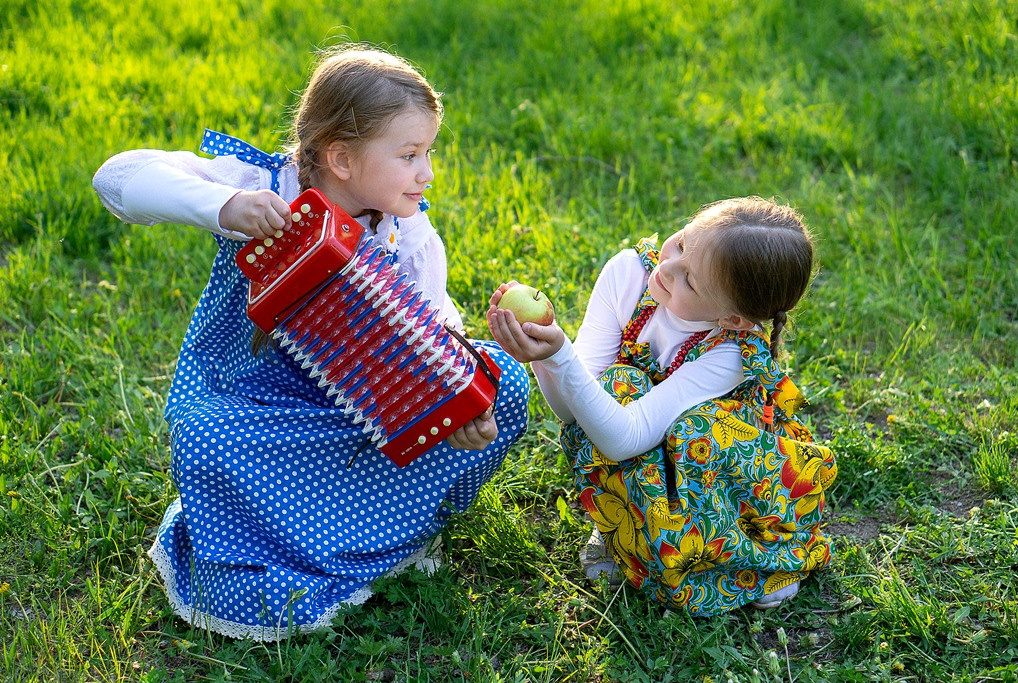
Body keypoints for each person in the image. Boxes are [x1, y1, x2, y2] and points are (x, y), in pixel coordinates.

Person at [92, 44, 529, 640]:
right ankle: (293, 546)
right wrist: (224, 206)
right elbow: (116, 178)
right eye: (409, 155)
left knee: (502, 385)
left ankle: (390, 533)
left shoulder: (408, 228)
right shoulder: (265, 184)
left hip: (363, 407)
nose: (427, 173)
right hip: (254, 400)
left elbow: (436, 324)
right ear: (341, 158)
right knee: (205, 434)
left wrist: (457, 405)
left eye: (427, 152)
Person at [488, 196, 837, 615]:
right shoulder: (629, 273)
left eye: (690, 280)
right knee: (616, 385)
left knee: (670, 419)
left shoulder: (729, 352)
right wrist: (547, 357)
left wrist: (559, 356)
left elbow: (625, 439)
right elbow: (575, 413)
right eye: (682, 244)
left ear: (734, 320)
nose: (666, 267)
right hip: (636, 437)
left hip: (709, 475)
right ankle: (625, 527)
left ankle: (751, 563)